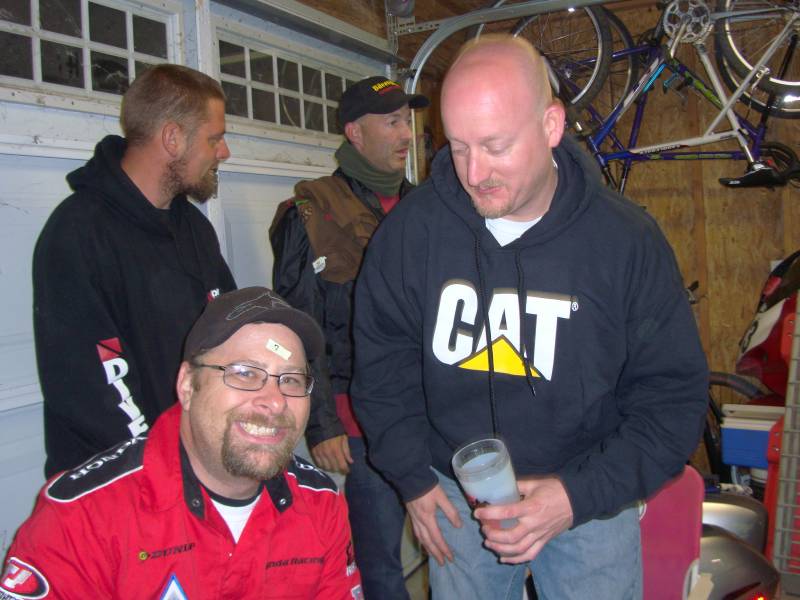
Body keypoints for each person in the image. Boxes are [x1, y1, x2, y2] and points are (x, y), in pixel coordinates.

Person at [350, 35, 708, 599]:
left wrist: (575, 495)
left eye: (495, 146)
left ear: (550, 126)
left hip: (589, 494)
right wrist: (412, 479)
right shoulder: (411, 234)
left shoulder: (625, 241)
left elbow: (673, 398)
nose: (474, 172)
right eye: (458, 147)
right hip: (457, 495)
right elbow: (381, 367)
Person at [2, 287, 363, 599]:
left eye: (292, 380)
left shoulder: (320, 504)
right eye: (245, 373)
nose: (275, 401)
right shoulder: (83, 519)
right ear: (188, 385)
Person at [33, 64, 237, 478]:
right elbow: (94, 383)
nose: (224, 152)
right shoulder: (79, 232)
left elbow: (227, 334)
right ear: (172, 138)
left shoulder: (194, 229)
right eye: (214, 138)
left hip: (188, 469)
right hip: (114, 481)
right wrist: (160, 464)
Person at [269, 75, 429, 598]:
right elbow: (299, 327)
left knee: (455, 544)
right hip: (360, 416)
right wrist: (321, 424)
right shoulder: (313, 213)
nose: (405, 133)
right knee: (380, 559)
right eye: (392, 121)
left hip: (436, 409)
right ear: (354, 132)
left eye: (407, 120)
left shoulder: (429, 207)